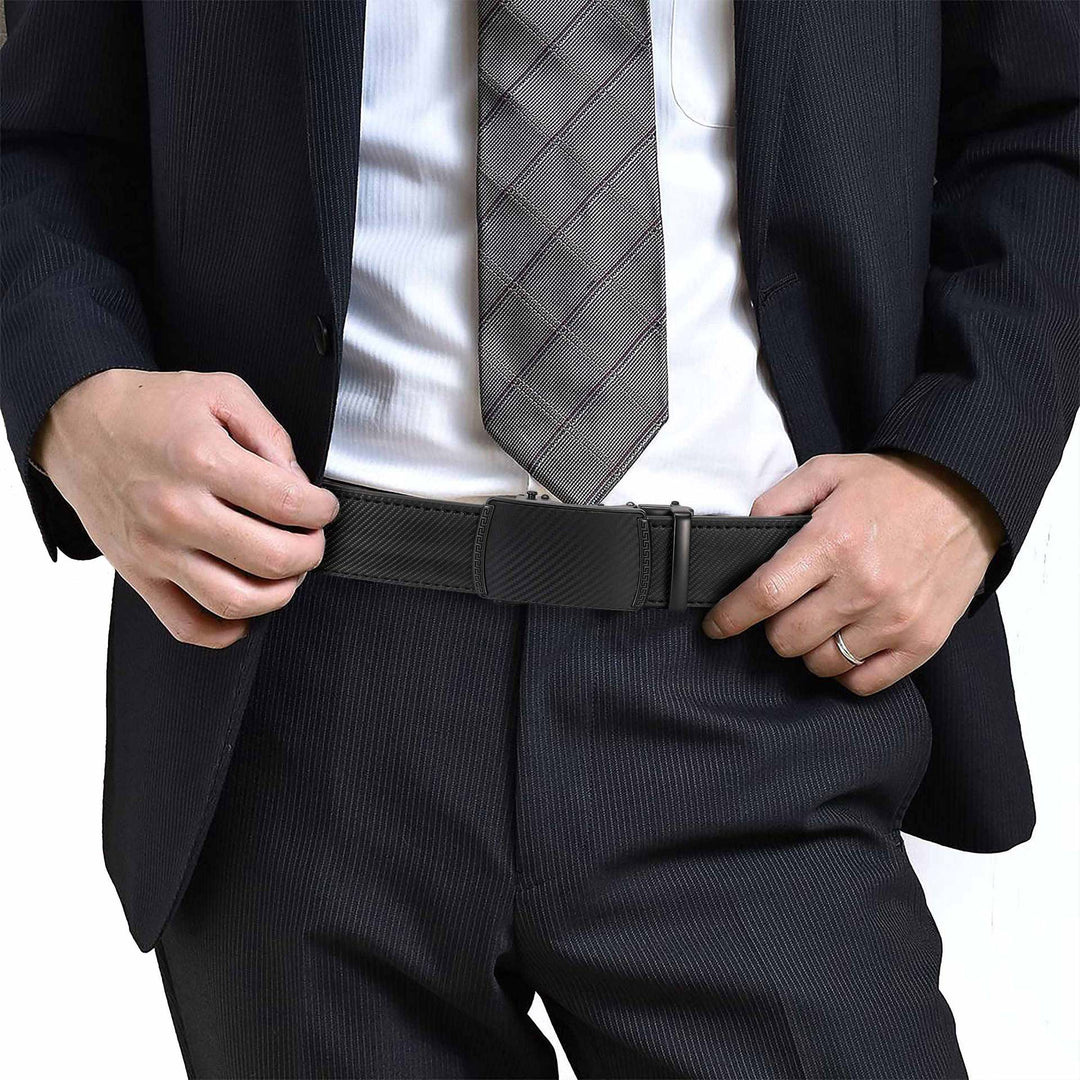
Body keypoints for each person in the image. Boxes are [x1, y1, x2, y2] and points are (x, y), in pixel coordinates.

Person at [2, 1, 1076, 1077]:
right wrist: (75, 400)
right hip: (306, 681)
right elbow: (36, 134)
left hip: (757, 661)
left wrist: (964, 471)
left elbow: (1054, 114)